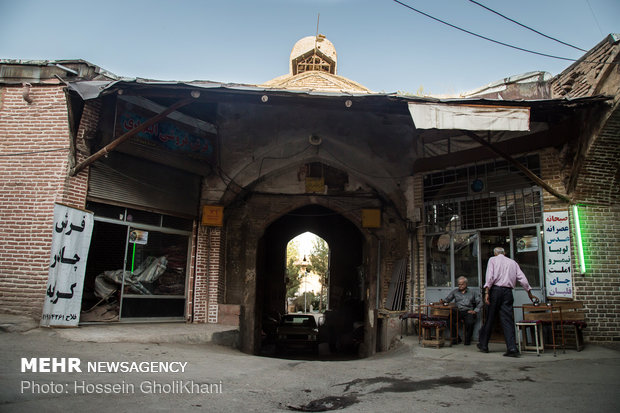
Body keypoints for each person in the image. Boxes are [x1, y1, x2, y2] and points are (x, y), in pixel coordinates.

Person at [478, 247, 539, 357]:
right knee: (507, 319)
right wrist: (529, 293)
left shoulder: (492, 260)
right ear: (504, 253)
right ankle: (512, 348)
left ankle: (484, 345)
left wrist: (487, 292)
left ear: (495, 253)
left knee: (490, 317)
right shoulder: (513, 263)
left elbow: (490, 277)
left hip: (495, 291)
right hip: (508, 292)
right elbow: (522, 278)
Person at [439, 276, 482, 345]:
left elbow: (480, 302)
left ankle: (467, 340)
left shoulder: (472, 292)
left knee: (470, 322)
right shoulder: (455, 292)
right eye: (459, 284)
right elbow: (447, 300)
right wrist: (443, 301)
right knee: (449, 320)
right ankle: (456, 338)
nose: (460, 286)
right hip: (458, 311)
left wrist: (475, 311)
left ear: (466, 284)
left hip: (468, 311)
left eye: (462, 284)